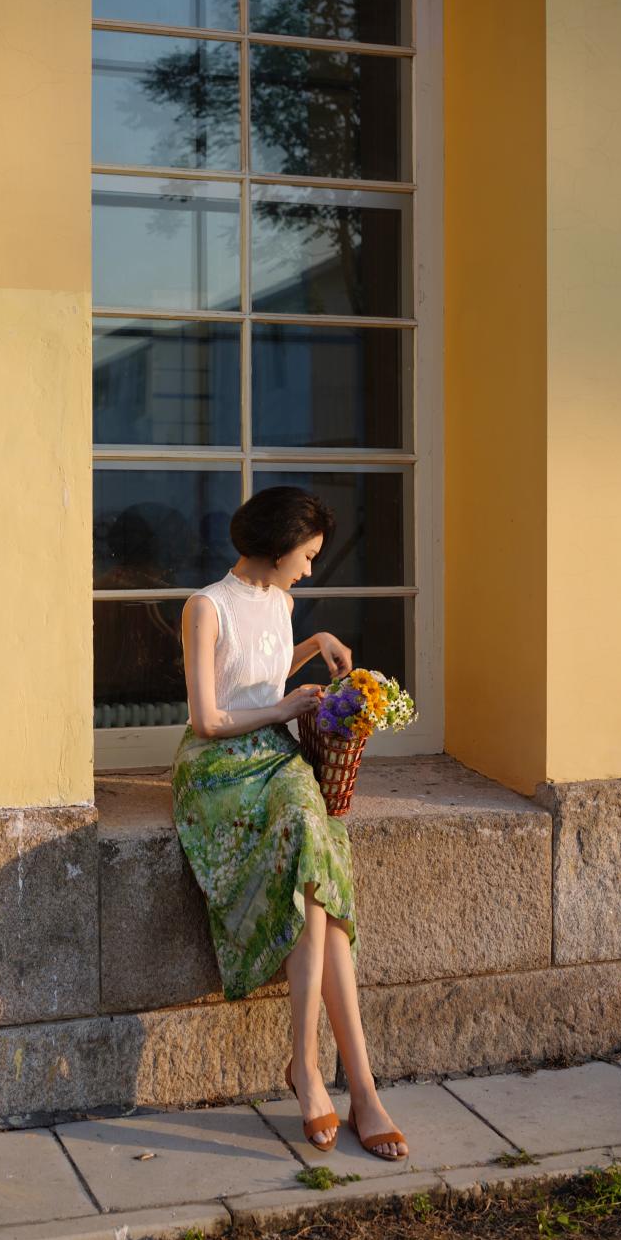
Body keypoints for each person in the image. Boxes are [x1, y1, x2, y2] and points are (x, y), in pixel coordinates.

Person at [171, 486, 408, 1160]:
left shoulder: (282, 602)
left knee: (319, 877)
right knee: (313, 845)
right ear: (276, 549)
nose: (309, 569)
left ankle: (345, 1078)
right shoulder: (204, 607)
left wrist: (315, 643)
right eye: (305, 556)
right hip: (217, 770)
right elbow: (209, 718)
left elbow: (263, 667)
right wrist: (284, 711)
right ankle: (333, 1076)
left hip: (276, 759)